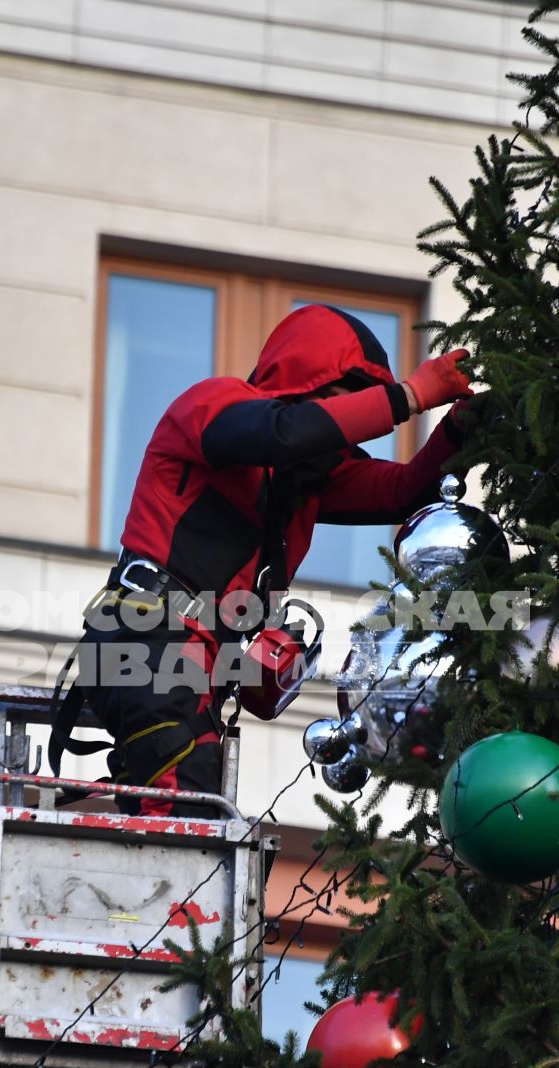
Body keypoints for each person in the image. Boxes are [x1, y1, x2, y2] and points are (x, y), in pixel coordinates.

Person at [50, 304, 478, 816]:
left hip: (187, 660)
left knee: (190, 803)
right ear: (308, 381)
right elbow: (284, 431)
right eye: (349, 402)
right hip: (148, 638)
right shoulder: (212, 405)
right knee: (189, 808)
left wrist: (461, 428)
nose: (351, 435)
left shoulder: (302, 477)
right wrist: (409, 397)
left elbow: (404, 491)